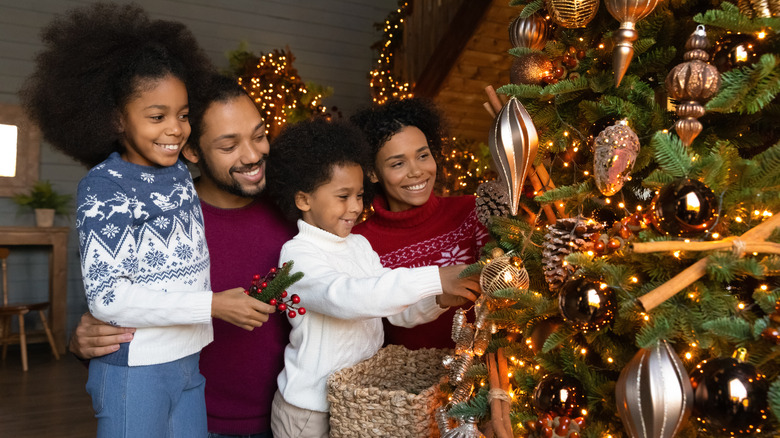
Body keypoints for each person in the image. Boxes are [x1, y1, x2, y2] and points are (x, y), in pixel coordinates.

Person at [20, 5, 272, 436]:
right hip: (136, 369)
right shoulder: (104, 188)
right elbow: (107, 300)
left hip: (190, 362)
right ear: (116, 118)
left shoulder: (177, 173)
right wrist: (211, 305)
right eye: (157, 117)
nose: (176, 130)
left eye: (183, 114)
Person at [68, 73, 295, 438]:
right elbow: (110, 300)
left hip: (286, 417)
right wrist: (81, 344)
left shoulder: (297, 204)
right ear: (193, 151)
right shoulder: (130, 192)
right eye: (228, 145)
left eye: (259, 135)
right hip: (195, 410)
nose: (253, 155)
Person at [264, 118, 480, 438]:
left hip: (357, 399)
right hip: (309, 411)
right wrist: (434, 277)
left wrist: (437, 299)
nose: (355, 208)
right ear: (303, 200)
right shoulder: (298, 255)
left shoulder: (359, 245)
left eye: (360, 195)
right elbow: (348, 298)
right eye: (343, 196)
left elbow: (393, 308)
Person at [350, 97, 490, 350]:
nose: (416, 171)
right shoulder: (358, 242)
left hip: (489, 376)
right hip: (405, 383)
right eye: (398, 163)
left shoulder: (474, 211)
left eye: (423, 156)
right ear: (372, 173)